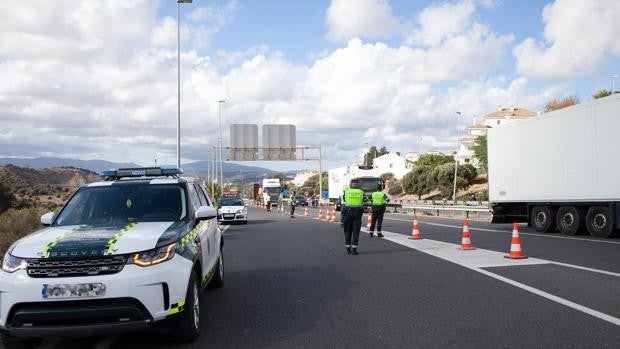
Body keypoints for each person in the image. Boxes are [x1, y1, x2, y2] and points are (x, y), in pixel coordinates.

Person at [342, 180, 365, 255]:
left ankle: (348, 249)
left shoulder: (346, 191)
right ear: (358, 185)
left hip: (347, 212)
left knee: (348, 231)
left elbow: (344, 201)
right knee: (356, 232)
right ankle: (354, 250)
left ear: (350, 184)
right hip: (357, 213)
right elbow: (364, 201)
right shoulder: (361, 192)